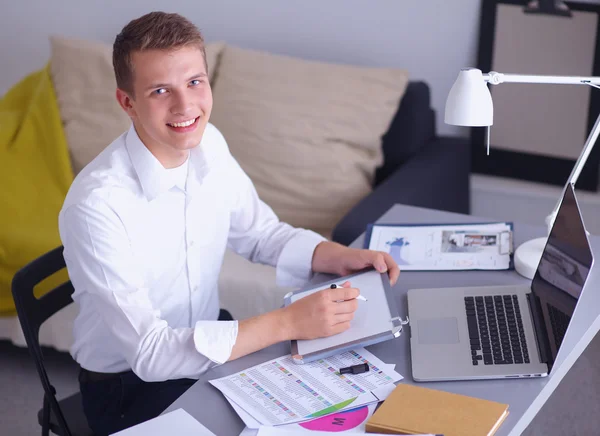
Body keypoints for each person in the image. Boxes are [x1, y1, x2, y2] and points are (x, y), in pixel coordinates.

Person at [58, 11, 400, 435]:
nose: (185, 106)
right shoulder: (96, 205)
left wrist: (337, 256)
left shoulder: (210, 144)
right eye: (161, 90)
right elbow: (150, 354)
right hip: (130, 388)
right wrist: (288, 322)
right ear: (127, 102)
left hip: (209, 342)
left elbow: (259, 232)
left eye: (194, 82)